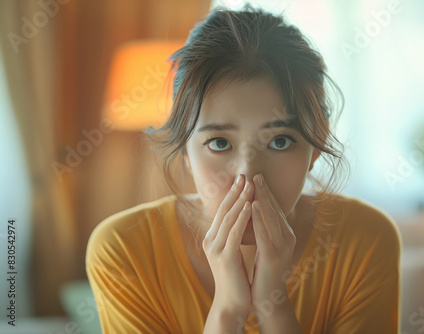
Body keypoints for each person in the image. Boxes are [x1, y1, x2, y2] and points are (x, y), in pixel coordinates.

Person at [86, 4, 401, 333]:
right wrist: (227, 311)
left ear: (316, 148)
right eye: (219, 143)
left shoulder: (364, 239)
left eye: (280, 141)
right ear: (184, 151)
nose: (248, 176)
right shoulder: (124, 249)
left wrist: (274, 307)